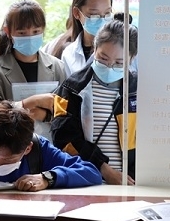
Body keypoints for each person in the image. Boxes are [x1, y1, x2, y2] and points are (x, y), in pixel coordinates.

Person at [50, 18, 138, 185]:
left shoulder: (137, 90)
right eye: (103, 58)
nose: (109, 66)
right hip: (86, 180)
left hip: (132, 182)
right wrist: (103, 168)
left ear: (132, 58)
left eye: (119, 63)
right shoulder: (73, 88)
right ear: (95, 49)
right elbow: (63, 138)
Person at [0, 0, 66, 140]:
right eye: (22, 33)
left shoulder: (57, 67)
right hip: (9, 147)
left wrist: (46, 115)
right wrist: (27, 104)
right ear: (8, 32)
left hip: (49, 148)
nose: (30, 37)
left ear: (43, 30)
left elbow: (70, 114)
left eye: (35, 31)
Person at [57, 0, 114, 76]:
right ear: (77, 13)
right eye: (94, 15)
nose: (102, 20)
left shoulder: (123, 49)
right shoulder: (69, 54)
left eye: (107, 13)